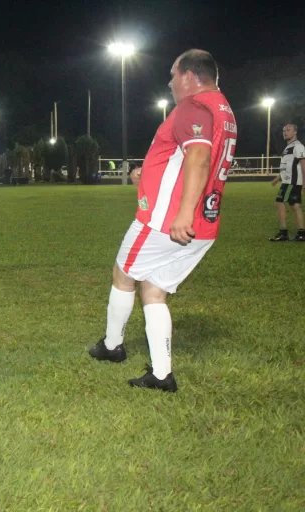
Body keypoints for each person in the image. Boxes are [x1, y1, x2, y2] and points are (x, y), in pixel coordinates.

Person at [88, 49, 237, 392]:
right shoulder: (223, 109)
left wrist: (182, 212)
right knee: (153, 289)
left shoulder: (193, 106)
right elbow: (185, 157)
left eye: (172, 75)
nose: (169, 82)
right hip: (205, 223)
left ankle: (112, 346)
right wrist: (149, 173)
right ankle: (161, 374)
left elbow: (198, 157)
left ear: (188, 76)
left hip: (167, 222)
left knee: (123, 273)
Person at [268, 122, 305, 242]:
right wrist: (277, 178)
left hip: (292, 182)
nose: (285, 132)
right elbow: (287, 166)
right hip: (288, 181)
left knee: (280, 202)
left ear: (295, 132)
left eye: (288, 130)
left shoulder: (298, 146)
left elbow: (304, 165)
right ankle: (301, 233)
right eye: (284, 130)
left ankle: (283, 232)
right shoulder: (288, 148)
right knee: (295, 206)